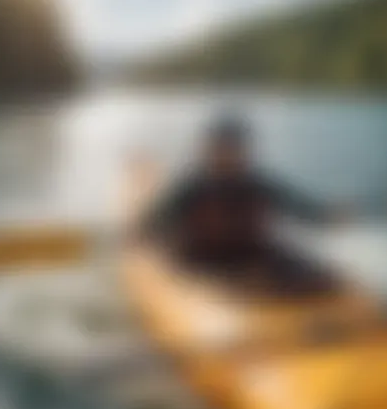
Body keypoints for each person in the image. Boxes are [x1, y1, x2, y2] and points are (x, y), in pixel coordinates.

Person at [140, 114, 342, 296]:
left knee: (316, 275)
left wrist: (326, 214)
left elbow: (297, 205)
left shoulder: (258, 183)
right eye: (222, 149)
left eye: (235, 149)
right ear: (209, 152)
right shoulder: (192, 188)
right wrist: (148, 234)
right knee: (208, 277)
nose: (229, 156)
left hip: (249, 254)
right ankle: (242, 289)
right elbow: (158, 218)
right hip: (203, 259)